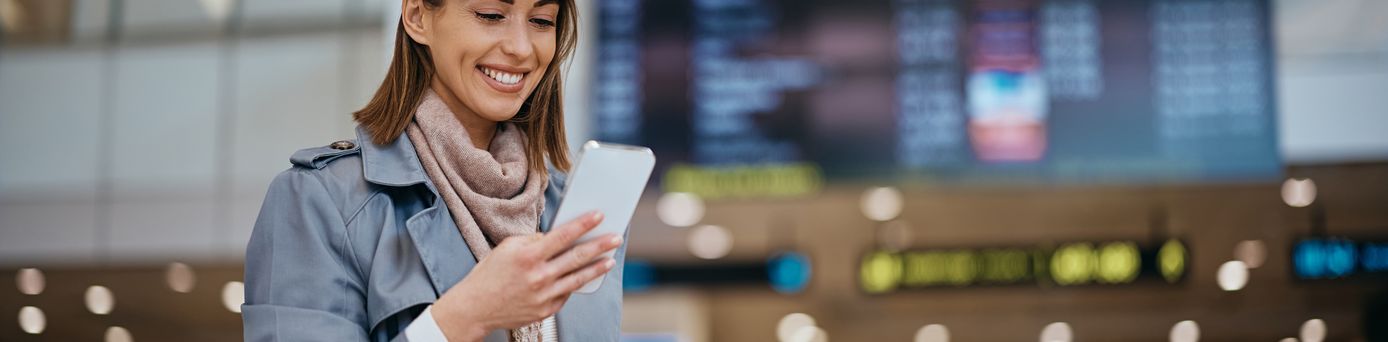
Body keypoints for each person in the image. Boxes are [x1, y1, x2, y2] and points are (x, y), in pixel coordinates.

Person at [241, 0, 625, 341]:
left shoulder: (572, 214)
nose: (521, 47)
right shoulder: (318, 201)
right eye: (491, 15)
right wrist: (463, 317)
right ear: (417, 16)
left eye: (542, 20)